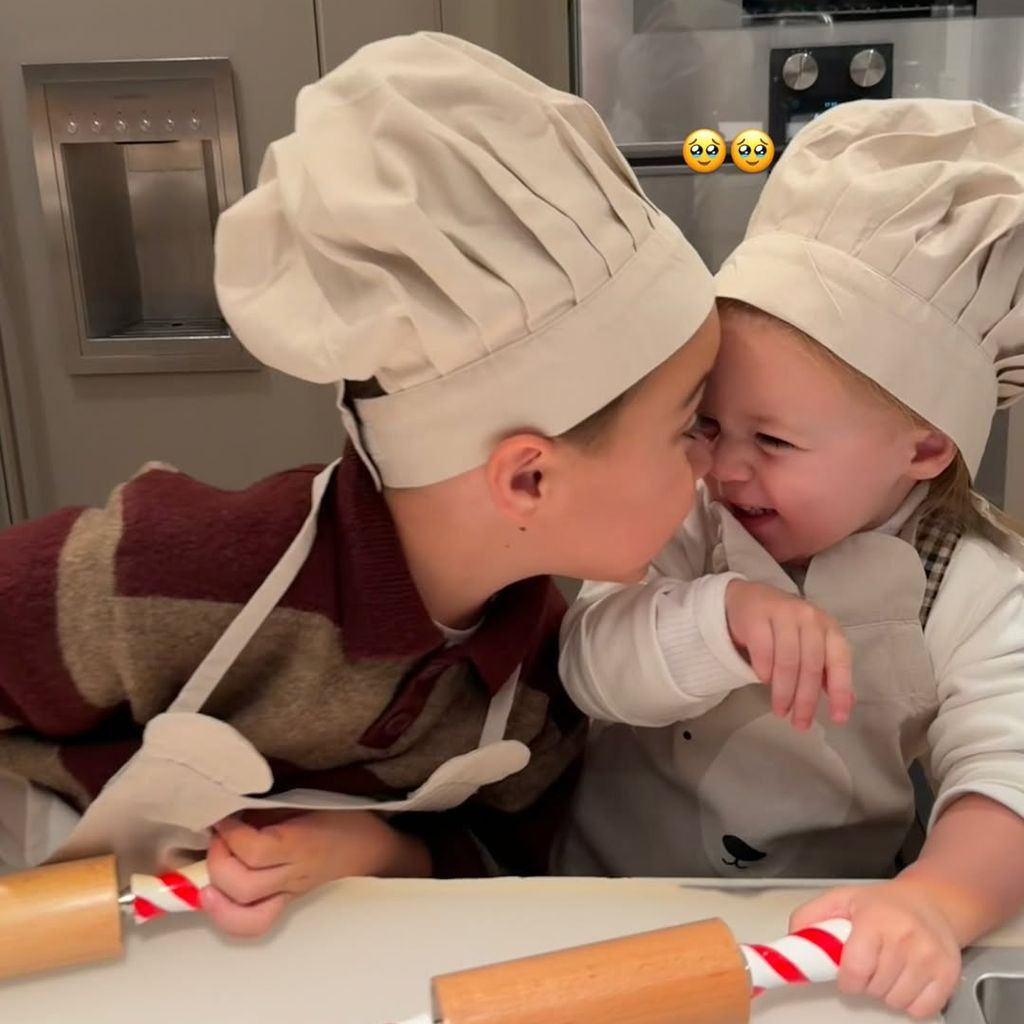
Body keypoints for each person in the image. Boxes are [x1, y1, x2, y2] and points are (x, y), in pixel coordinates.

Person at [0, 32, 719, 939]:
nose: (714, 465)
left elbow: (509, 872)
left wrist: (388, 856)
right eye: (690, 426)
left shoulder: (534, 681)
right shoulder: (172, 569)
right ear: (528, 477)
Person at [555, 97, 1024, 1020]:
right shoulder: (682, 515)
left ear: (924, 449)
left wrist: (935, 902)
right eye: (708, 423)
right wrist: (716, 618)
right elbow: (586, 666)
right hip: (597, 908)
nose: (724, 466)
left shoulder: (972, 585)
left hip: (824, 940)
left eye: (773, 439)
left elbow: (1007, 777)